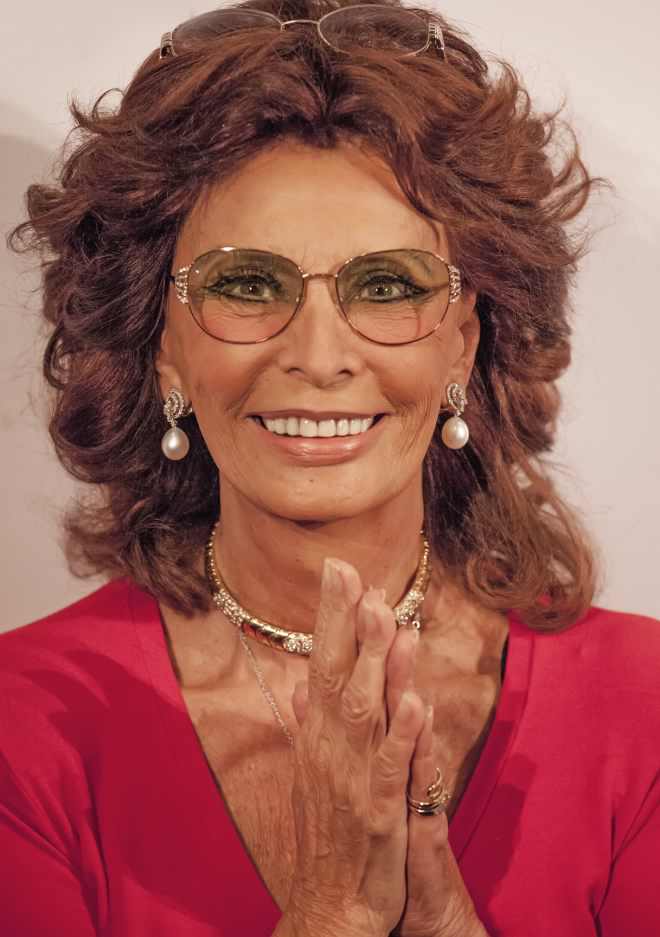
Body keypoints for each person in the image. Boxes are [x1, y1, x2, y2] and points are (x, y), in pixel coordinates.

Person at [2, 0, 659, 934]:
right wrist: (332, 911)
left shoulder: (645, 707)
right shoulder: (21, 726)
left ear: (464, 346)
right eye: (245, 283)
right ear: (163, 349)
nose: (317, 355)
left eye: (386, 286)